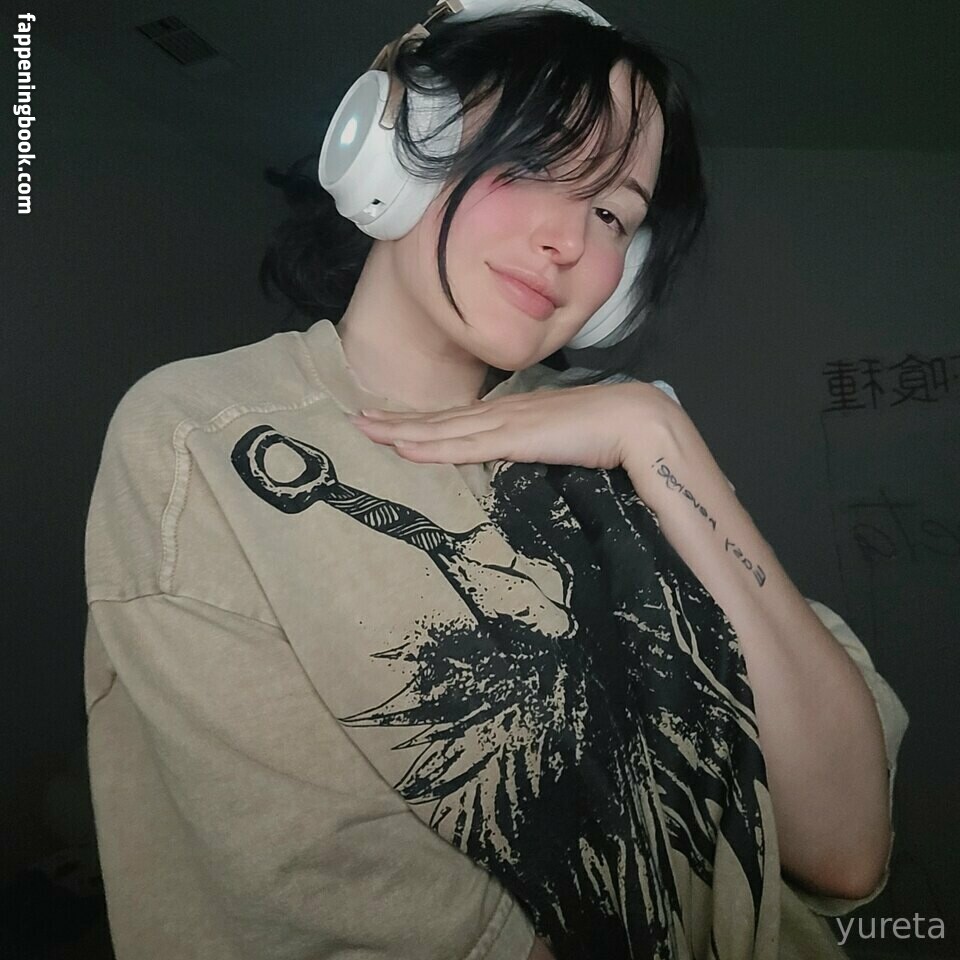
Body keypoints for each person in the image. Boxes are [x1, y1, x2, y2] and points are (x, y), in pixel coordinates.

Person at [83, 2, 909, 959]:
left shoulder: (629, 438)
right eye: (534, 163)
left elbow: (845, 846)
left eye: (612, 214)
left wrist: (662, 441)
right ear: (400, 149)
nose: (572, 242)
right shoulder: (200, 436)